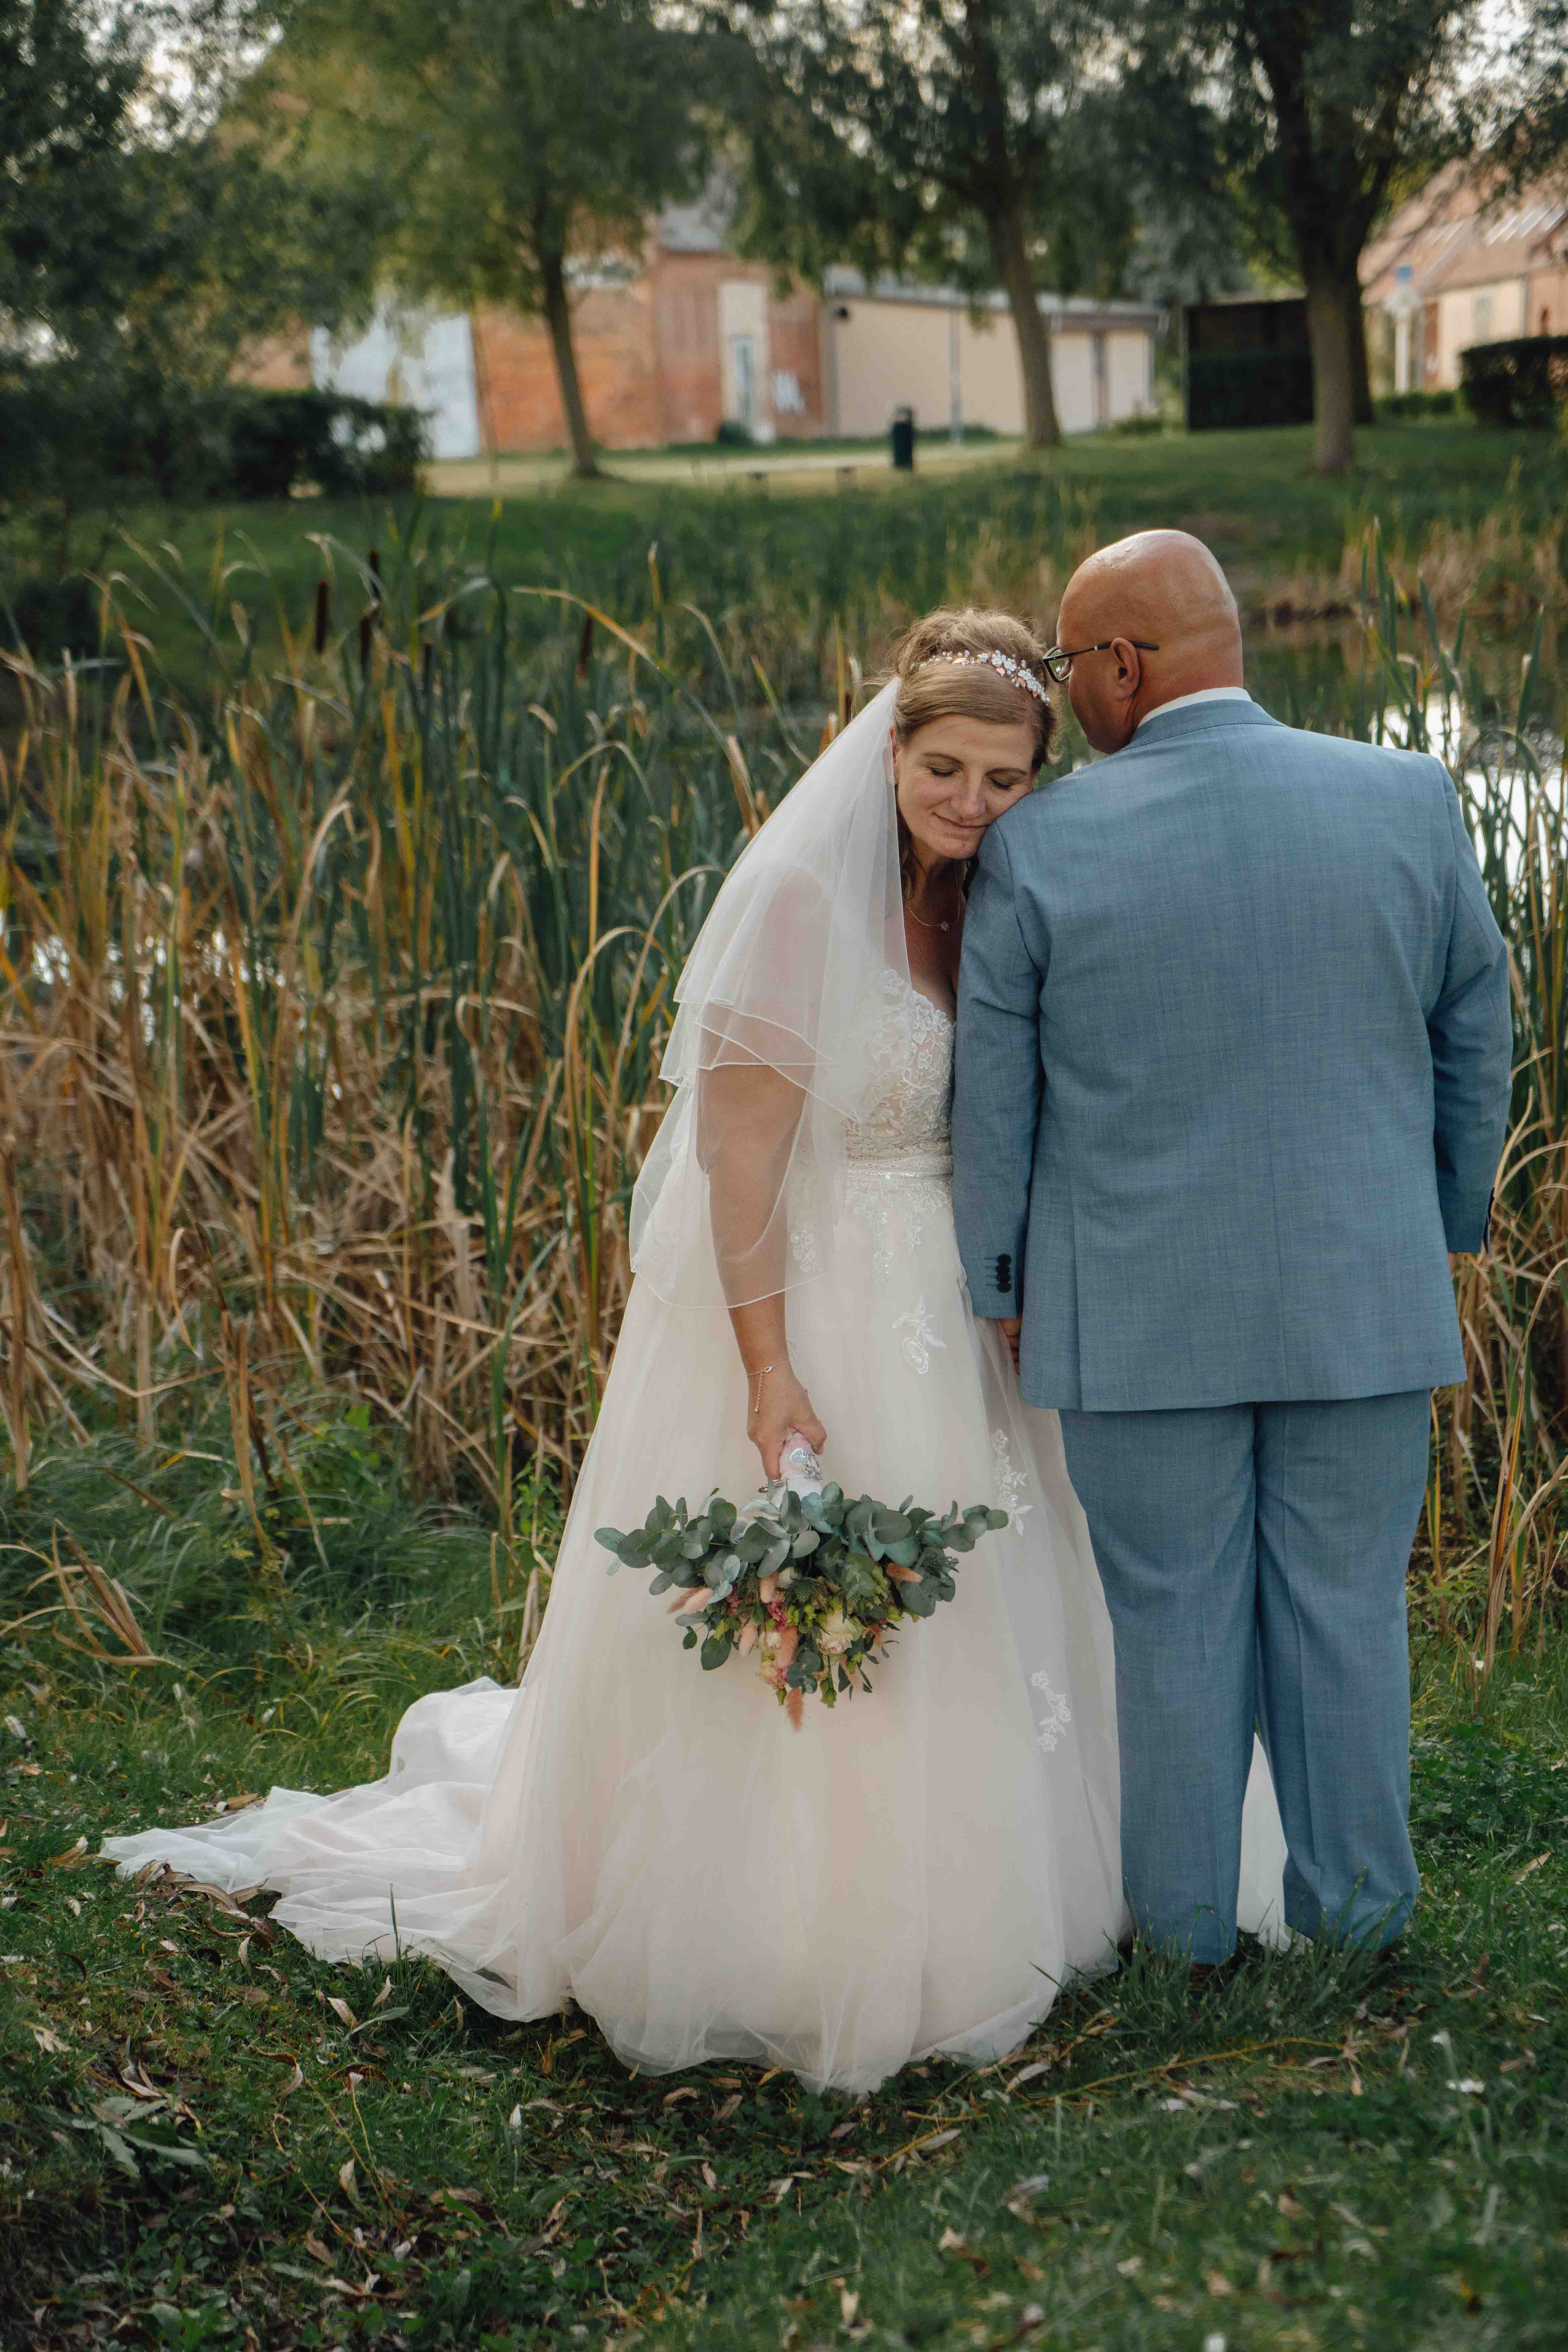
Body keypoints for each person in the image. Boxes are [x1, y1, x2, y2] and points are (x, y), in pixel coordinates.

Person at [101, 606, 1285, 2092]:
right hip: (826, 1298)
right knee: (846, 1608)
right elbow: (736, 1178)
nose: (974, 803)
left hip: (965, 1310)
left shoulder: (989, 895)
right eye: (947, 770)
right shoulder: (801, 901)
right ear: (890, 749)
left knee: (1009, 1589)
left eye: (1003, 776)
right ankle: (810, 1930)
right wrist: (771, 1373)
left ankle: (1049, 1878)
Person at [953, 531, 1513, 1971]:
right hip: (1361, 1294)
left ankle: (1188, 1944)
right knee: (1342, 1611)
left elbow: (998, 1099)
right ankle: (1361, 1927)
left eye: (1075, 664)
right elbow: (1474, 1041)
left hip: (1136, 1316)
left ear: (1125, 667)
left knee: (1173, 1622)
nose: (1072, 692)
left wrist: (1000, 1286)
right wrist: (1437, 1235)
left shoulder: (1038, 842)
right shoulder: (1406, 797)